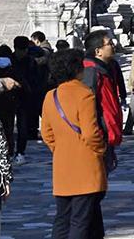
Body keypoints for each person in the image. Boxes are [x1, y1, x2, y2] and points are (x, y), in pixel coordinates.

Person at [43, 49, 107, 239]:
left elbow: (47, 134)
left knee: (63, 219)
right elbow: (90, 133)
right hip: (85, 166)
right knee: (81, 221)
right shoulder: (84, 94)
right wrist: (100, 148)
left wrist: (62, 149)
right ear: (76, 69)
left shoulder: (50, 96)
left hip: (62, 166)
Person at [82, 31, 124, 153]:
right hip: (100, 132)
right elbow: (88, 105)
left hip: (108, 129)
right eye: (109, 43)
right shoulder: (91, 72)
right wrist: (97, 132)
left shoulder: (107, 68)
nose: (113, 45)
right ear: (98, 51)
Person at [0, 46, 21, 156]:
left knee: (0, 131)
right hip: (9, 104)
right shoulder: (14, 70)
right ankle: (9, 152)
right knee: (8, 130)